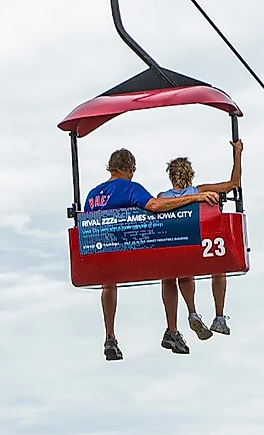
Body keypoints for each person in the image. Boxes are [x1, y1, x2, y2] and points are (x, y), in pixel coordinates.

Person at [84, 143, 239, 360]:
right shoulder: (130, 188)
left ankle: (110, 336)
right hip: (132, 252)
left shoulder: (92, 195)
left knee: (109, 283)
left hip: (101, 255)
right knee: (172, 266)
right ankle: (183, 324)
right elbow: (155, 206)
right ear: (130, 169)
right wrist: (195, 198)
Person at [162, 149, 241, 343]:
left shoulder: (163, 197)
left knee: (183, 272)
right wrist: (237, 154)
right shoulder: (200, 191)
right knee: (218, 269)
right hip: (202, 244)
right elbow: (233, 184)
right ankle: (219, 316)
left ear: (171, 176)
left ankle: (192, 312)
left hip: (179, 247)